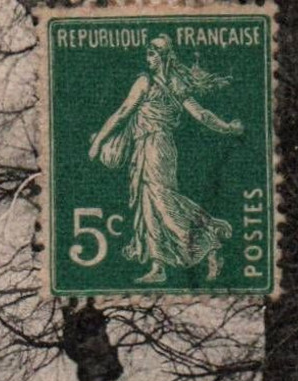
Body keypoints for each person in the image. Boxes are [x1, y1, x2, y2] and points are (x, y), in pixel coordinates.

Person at [87, 35, 243, 284]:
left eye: (152, 54)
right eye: (147, 54)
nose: (147, 58)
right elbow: (201, 114)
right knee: (148, 204)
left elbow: (122, 113)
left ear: (163, 57)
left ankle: (209, 242)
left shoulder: (146, 82)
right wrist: (227, 128)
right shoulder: (174, 83)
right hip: (151, 147)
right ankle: (158, 266)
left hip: (155, 146)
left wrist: (97, 143)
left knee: (161, 200)